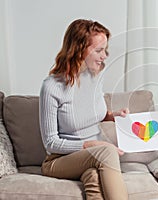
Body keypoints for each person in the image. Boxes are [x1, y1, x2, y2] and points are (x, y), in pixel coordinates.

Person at [39, 19, 128, 200]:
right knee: (107, 152)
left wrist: (113, 116)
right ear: (79, 50)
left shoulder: (96, 76)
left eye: (105, 49)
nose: (104, 56)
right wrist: (91, 145)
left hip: (91, 157)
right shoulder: (52, 86)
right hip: (59, 160)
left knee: (93, 178)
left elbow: (91, 113)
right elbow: (50, 143)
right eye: (98, 50)